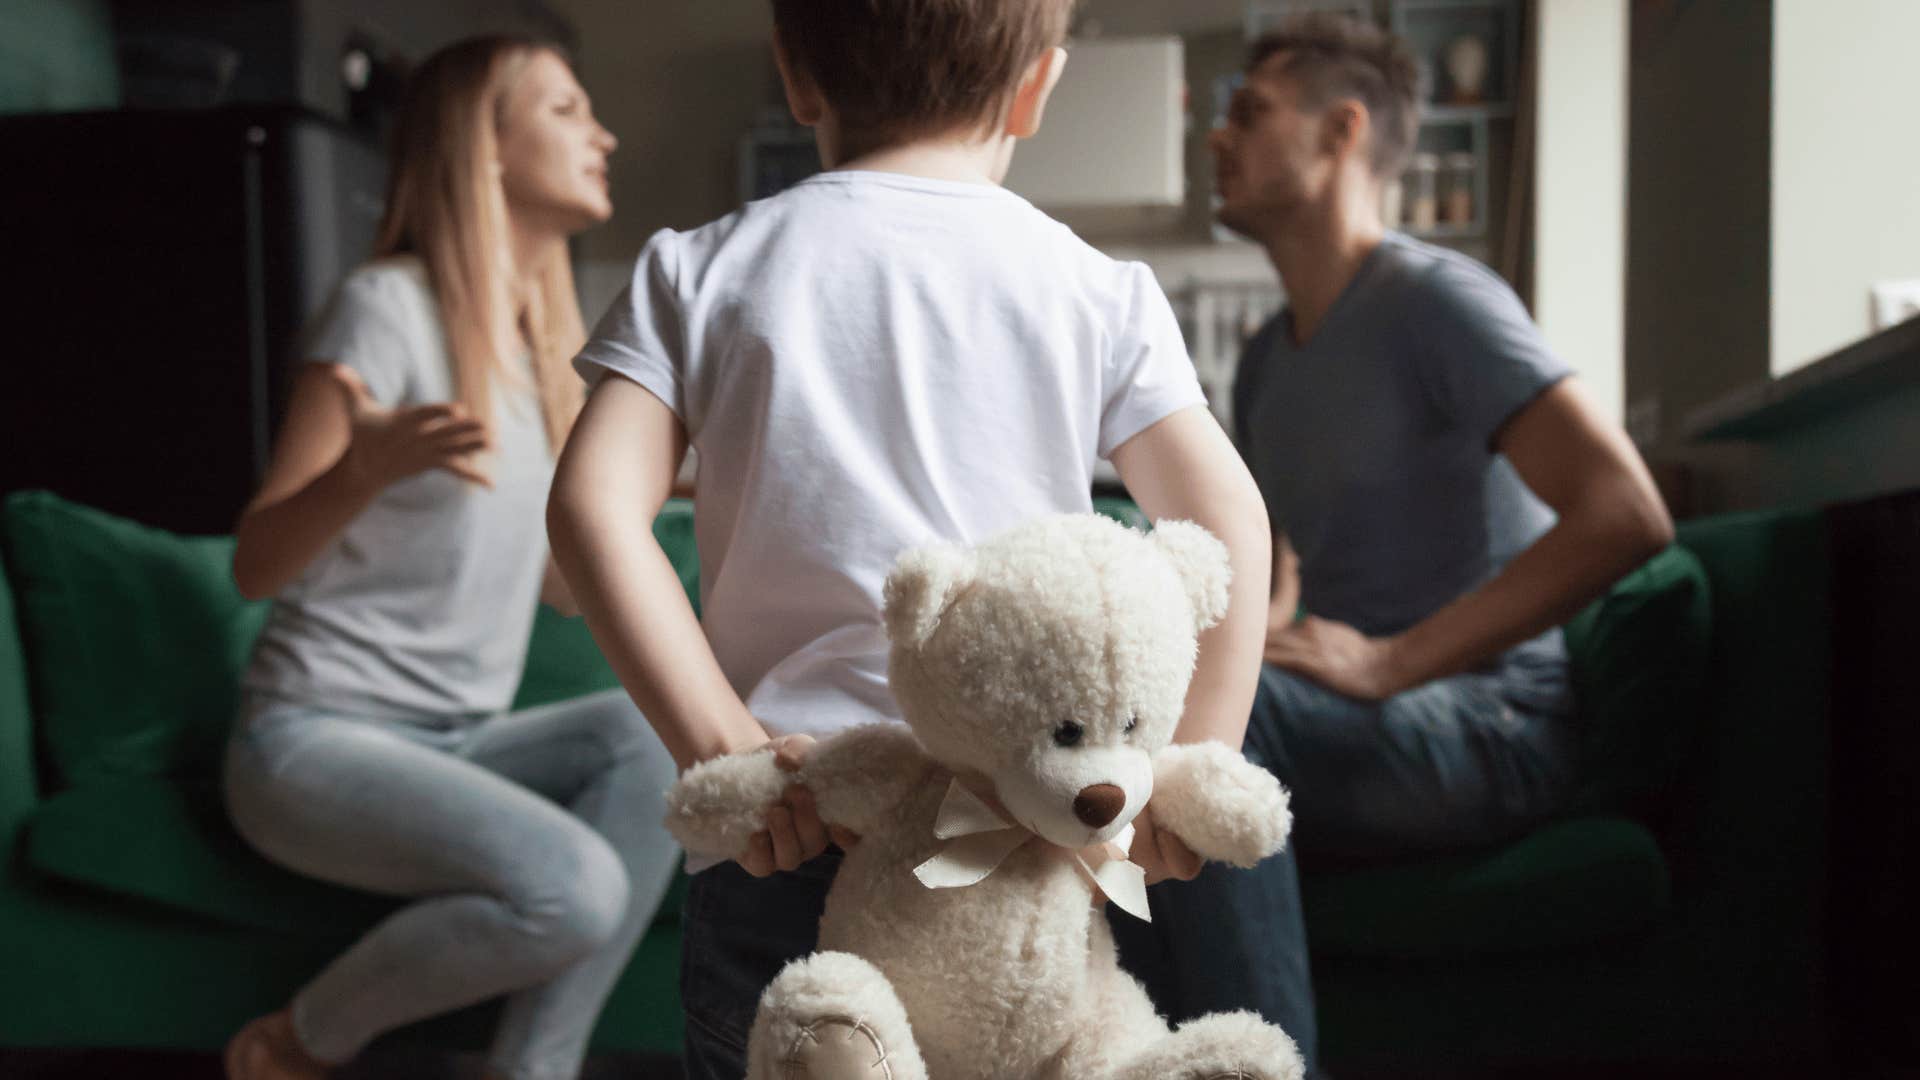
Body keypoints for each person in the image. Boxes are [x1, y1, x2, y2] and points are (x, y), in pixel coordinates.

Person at [543, 2, 1277, 1077]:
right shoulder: (1097, 288)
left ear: (797, 74)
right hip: (1024, 822)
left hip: (796, 825)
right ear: (1038, 85)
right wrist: (1182, 766)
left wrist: (724, 747)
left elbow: (591, 510)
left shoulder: (696, 269)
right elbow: (1228, 522)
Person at [1115, 12, 1678, 1065]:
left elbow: (1627, 511)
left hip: (1490, 727)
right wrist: (1271, 632)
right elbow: (1283, 560)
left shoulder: (1439, 301)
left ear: (1341, 133)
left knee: (1232, 733)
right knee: (1138, 713)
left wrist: (1390, 660)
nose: (1217, 136)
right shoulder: (1272, 364)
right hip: (1357, 717)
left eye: (1248, 111)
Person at [220, 36, 679, 1080]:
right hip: (312, 741)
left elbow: (568, 590)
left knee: (657, 738)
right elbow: (256, 565)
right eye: (566, 109)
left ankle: (532, 1071)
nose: (601, 133)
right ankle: (295, 1044)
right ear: (486, 147)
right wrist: (356, 474)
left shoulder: (536, 355)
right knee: (576, 887)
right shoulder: (384, 310)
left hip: (458, 738)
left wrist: (649, 495)